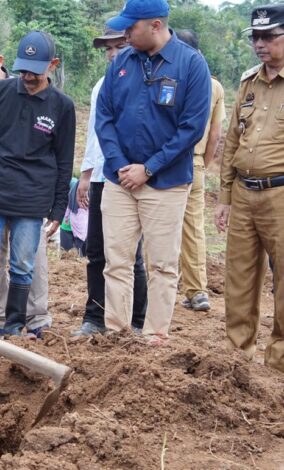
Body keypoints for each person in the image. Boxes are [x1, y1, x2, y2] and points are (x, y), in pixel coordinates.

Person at [96, 0, 211, 344]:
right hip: (120, 181)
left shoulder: (191, 65)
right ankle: (116, 334)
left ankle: (155, 336)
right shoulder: (121, 64)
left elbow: (191, 129)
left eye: (131, 27)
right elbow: (104, 118)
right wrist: (120, 164)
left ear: (156, 25)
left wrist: (148, 168)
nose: (125, 33)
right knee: (117, 261)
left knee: (162, 264)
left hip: (165, 183)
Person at [0, 31, 75, 337]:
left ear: (52, 65)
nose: (28, 77)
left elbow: (64, 161)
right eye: (23, 70)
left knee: (23, 264)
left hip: (32, 200)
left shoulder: (62, 106)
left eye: (35, 71)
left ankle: (13, 326)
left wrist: (59, 208)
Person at [216, 4, 284, 373]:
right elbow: (231, 142)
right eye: (255, 37)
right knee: (239, 277)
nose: (260, 44)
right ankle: (236, 358)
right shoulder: (248, 83)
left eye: (268, 36)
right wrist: (225, 197)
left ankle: (279, 362)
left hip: (280, 195)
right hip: (244, 193)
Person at [73, 26, 148, 337]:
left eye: (119, 47)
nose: (113, 54)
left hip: (129, 178)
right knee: (96, 250)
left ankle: (138, 319)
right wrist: (86, 176)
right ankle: (95, 317)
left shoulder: (144, 82)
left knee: (130, 254)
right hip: (102, 176)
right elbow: (94, 135)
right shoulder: (101, 85)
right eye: (109, 49)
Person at [175, 29, 225, 312]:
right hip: (195, 164)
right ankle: (197, 292)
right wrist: (203, 162)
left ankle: (156, 291)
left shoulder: (169, 78)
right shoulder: (214, 85)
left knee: (157, 227)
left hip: (165, 164)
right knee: (194, 229)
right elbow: (215, 134)